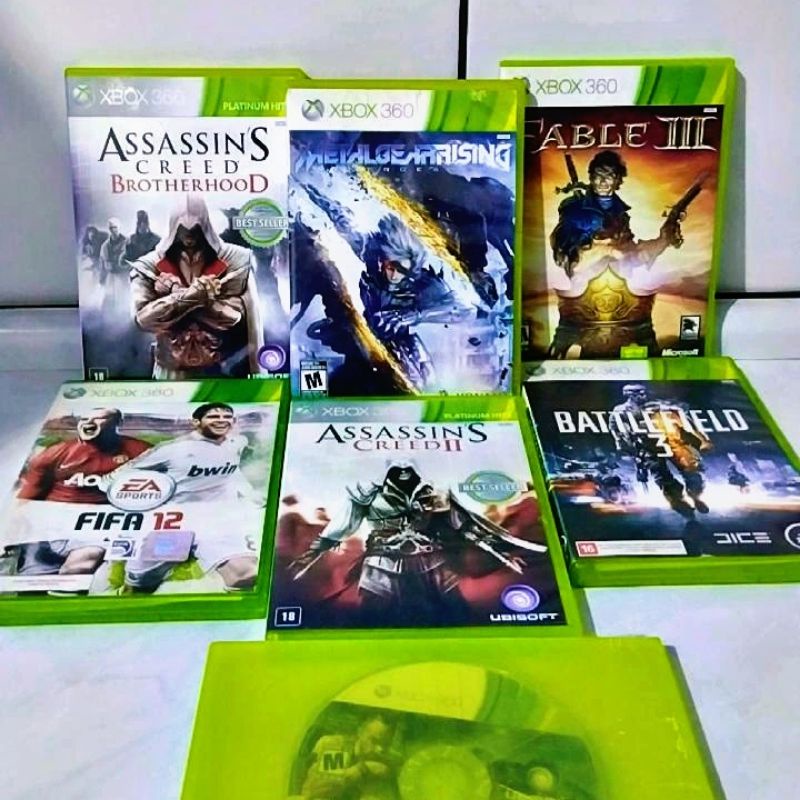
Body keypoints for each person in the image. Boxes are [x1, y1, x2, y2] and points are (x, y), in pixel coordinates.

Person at [290, 461, 545, 626]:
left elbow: (466, 527)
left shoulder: (435, 495)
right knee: (376, 621)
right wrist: (310, 556)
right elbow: (339, 529)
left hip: (432, 564)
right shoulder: (368, 496)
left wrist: (501, 554)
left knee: (455, 617)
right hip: (382, 566)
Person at [547, 151, 683, 358]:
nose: (603, 181)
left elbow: (633, 256)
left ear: (618, 180)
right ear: (591, 178)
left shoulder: (621, 215)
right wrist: (606, 249)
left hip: (624, 309)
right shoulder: (574, 208)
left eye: (609, 175)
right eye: (598, 175)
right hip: (583, 308)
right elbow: (570, 259)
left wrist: (663, 240)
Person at [118, 402, 263, 592]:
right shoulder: (170, 450)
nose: (221, 420)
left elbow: (232, 470)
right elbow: (120, 477)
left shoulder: (236, 442)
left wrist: (249, 492)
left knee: (244, 574)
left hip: (217, 521)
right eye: (214, 416)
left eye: (227, 417)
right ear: (196, 422)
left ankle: (228, 611)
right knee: (141, 585)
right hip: (175, 524)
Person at [130, 194, 264, 379]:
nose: (189, 235)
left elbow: (235, 317)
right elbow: (143, 320)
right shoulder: (148, 265)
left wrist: (259, 374)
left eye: (195, 227)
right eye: (182, 228)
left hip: (221, 370)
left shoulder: (237, 260)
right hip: (170, 372)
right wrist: (194, 296)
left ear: (205, 225)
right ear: (173, 226)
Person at [11, 408, 150, 578]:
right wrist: (11, 529)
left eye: (99, 419)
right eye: (84, 419)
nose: (89, 422)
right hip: (52, 525)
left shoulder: (142, 452)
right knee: (32, 579)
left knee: (80, 566)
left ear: (117, 422)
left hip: (100, 524)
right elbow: (27, 496)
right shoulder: (53, 454)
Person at [609, 384, 712, 520]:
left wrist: (700, 439)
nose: (643, 396)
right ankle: (683, 507)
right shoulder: (621, 411)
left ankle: (696, 496)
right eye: (639, 393)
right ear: (630, 395)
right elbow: (617, 431)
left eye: (643, 393)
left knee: (692, 472)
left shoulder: (657, 405)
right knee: (665, 481)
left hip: (671, 443)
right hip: (647, 448)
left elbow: (682, 418)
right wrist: (630, 450)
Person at [298, 713, 397, 800]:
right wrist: (362, 769)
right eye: (374, 741)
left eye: (386, 744)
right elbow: (321, 790)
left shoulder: (384, 765)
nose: (380, 749)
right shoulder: (338, 747)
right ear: (360, 732)